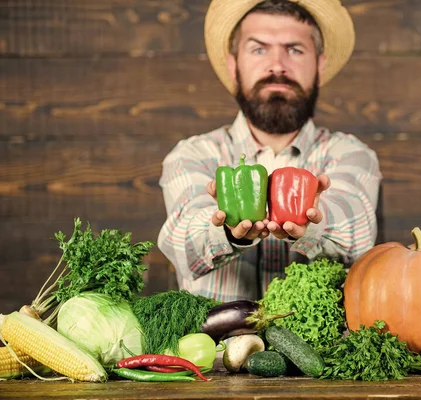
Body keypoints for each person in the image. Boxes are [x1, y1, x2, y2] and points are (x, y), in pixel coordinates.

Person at [157, 0, 382, 302]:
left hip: (322, 351)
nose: (277, 65)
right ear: (233, 66)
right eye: (259, 49)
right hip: (217, 349)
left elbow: (360, 235)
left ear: (320, 64)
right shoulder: (194, 155)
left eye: (295, 49)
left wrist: (316, 221)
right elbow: (179, 242)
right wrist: (224, 229)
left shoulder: (351, 154)